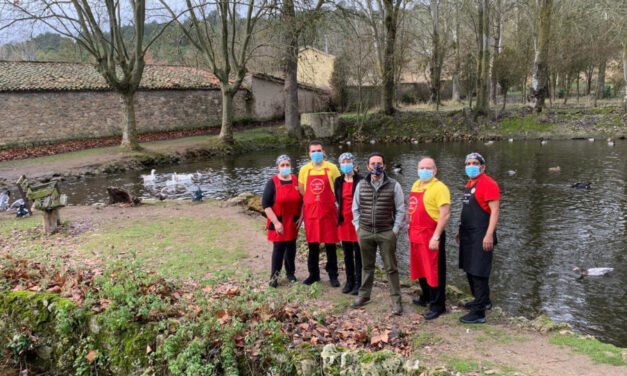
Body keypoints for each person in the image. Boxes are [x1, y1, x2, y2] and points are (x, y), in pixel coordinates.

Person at [350, 153, 406, 315]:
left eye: (379, 163)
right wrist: (358, 228)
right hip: (365, 232)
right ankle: (364, 296)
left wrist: (395, 230)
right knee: (367, 266)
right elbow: (355, 208)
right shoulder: (361, 184)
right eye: (373, 163)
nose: (376, 166)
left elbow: (401, 209)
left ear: (385, 166)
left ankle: (396, 300)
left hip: (386, 232)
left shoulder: (394, 185)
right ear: (368, 167)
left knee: (391, 268)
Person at [457, 152, 500, 324]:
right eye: (468, 163)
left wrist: (489, 234)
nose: (471, 166)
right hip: (468, 233)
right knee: (469, 268)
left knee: (478, 272)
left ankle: (479, 313)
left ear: (483, 166)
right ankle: (483, 301)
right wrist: (461, 229)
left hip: (482, 234)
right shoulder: (470, 183)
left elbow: (495, 211)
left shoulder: (489, 184)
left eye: (475, 163)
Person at [408, 157, 451, 320]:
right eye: (421, 167)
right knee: (421, 268)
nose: (424, 170)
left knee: (434, 270)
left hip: (431, 234)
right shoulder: (416, 184)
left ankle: (438, 305)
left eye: (428, 168)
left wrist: (436, 236)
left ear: (434, 171)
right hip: (416, 234)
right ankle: (425, 297)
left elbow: (445, 214)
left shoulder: (440, 187)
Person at [298, 141, 341, 287]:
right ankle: (313, 275)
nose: (316, 153)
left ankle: (333, 275)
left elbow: (338, 189)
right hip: (311, 213)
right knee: (313, 246)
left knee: (330, 245)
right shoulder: (304, 170)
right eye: (313, 151)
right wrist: (313, 202)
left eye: (319, 150)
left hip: (328, 212)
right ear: (309, 154)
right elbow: (302, 190)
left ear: (324, 152)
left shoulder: (333, 168)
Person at [262, 155, 303, 288]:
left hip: (292, 221)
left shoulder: (296, 181)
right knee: (278, 249)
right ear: (277, 168)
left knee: (291, 248)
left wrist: (301, 216)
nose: (285, 167)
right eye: (282, 165)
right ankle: (274, 277)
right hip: (278, 220)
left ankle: (291, 273)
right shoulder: (272, 183)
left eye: (287, 165)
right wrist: (276, 222)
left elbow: (304, 200)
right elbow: (266, 205)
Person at [334, 152, 363, 295]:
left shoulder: (362, 180)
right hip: (344, 221)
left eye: (348, 161)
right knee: (347, 254)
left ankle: (359, 282)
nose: (346, 164)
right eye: (343, 162)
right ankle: (349, 281)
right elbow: (338, 199)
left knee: (358, 254)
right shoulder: (338, 181)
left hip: (357, 222)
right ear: (340, 165)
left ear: (353, 163)